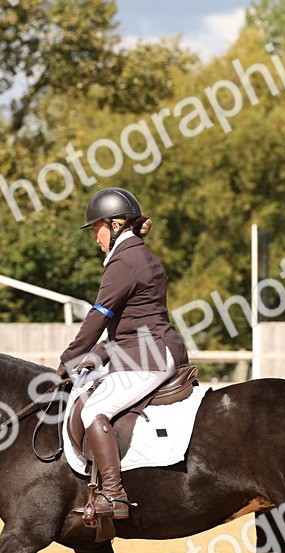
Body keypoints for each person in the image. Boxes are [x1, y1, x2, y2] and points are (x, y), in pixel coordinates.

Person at [57, 187, 189, 521]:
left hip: (148, 355)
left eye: (96, 228)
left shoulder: (124, 260)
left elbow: (99, 316)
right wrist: (96, 355)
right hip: (146, 348)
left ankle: (114, 494)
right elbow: (130, 322)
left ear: (115, 225)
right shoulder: (137, 255)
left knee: (94, 410)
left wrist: (68, 359)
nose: (94, 237)